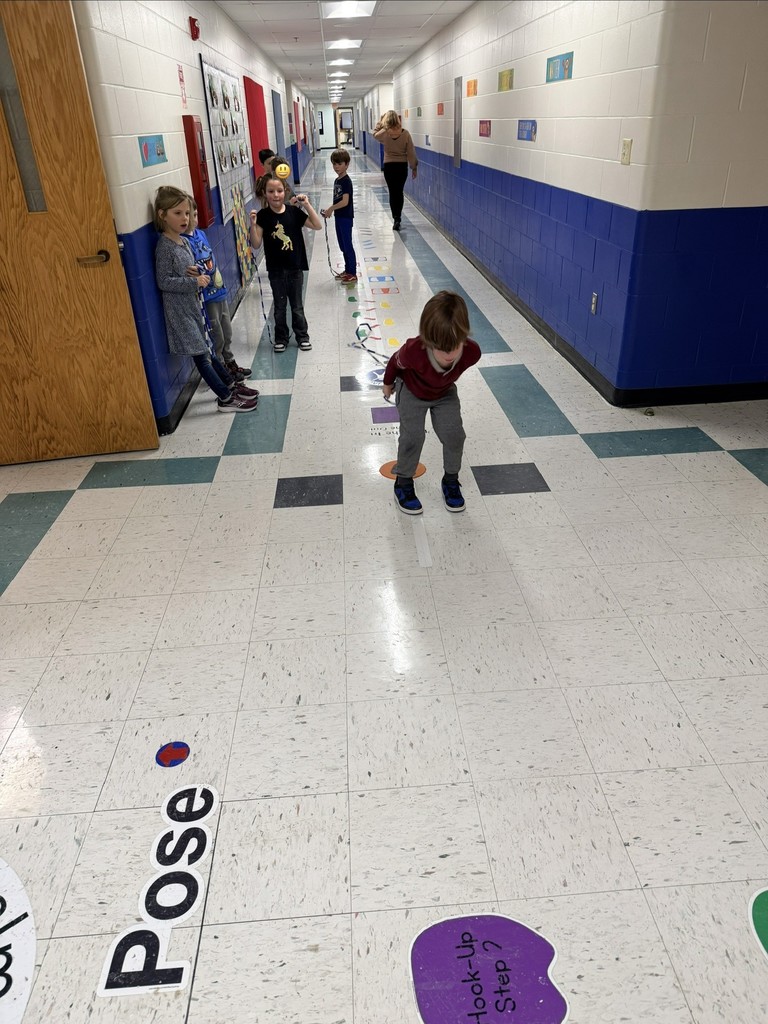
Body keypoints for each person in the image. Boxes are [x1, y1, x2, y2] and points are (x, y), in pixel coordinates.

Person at [153, 186, 258, 413]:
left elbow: (181, 270)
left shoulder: (181, 241)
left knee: (209, 351)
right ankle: (226, 398)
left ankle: (230, 385)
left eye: (187, 213)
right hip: (181, 313)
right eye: (177, 213)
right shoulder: (164, 246)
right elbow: (163, 281)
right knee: (202, 358)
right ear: (162, 215)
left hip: (194, 308)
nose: (185, 218)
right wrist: (193, 282)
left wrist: (193, 272)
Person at [382, 291, 480, 514]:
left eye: (455, 346)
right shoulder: (414, 351)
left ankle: (451, 481)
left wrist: (442, 381)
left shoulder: (472, 353)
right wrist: (388, 383)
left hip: (443, 393)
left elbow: (452, 369)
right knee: (413, 437)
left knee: (455, 435)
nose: (449, 355)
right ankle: (403, 483)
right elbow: (394, 363)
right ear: (428, 339)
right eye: (442, 348)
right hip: (412, 391)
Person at [249, 177, 322, 352]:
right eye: (271, 191)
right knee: (280, 306)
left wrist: (307, 205)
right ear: (265, 194)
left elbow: (317, 225)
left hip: (295, 267)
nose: (276, 195)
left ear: (286, 191)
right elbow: (256, 243)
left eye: (279, 191)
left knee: (297, 306)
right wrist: (252, 225)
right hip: (276, 270)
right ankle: (280, 338)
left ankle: (302, 336)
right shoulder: (263, 216)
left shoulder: (293, 212)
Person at [184, 197, 252, 382]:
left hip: (218, 290)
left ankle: (229, 360)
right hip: (206, 296)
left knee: (227, 329)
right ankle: (221, 366)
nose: (193, 219)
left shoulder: (200, 234)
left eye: (195, 214)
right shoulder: (182, 242)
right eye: (189, 215)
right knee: (217, 334)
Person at [373, 110, 418, 231]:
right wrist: (414, 167)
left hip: (389, 167)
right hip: (401, 167)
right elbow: (411, 153)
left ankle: (395, 217)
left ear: (386, 120)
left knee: (392, 192)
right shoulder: (406, 134)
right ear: (398, 120)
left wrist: (380, 122)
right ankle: (399, 216)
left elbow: (375, 134)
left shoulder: (385, 133)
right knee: (399, 191)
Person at [321, 149, 357, 283]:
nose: (336, 167)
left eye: (339, 164)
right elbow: (338, 199)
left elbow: (345, 201)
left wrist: (331, 208)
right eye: (334, 164)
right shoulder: (337, 180)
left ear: (347, 164)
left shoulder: (346, 181)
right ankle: (347, 270)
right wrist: (331, 210)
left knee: (347, 245)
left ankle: (352, 273)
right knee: (342, 245)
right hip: (338, 216)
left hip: (345, 217)